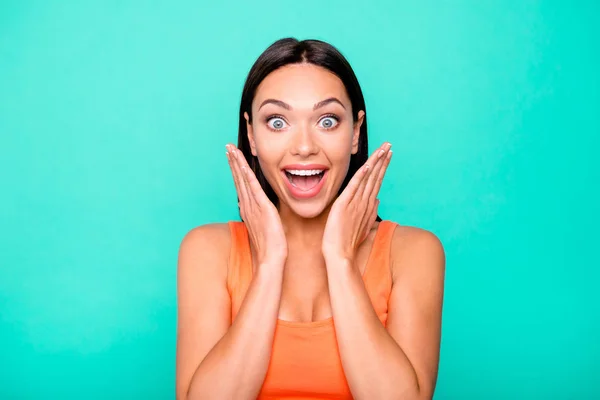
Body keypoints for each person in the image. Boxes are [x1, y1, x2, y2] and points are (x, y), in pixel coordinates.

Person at [176, 38, 445, 400]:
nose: (304, 147)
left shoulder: (413, 252)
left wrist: (341, 259)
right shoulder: (208, 250)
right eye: (277, 122)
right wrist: (271, 262)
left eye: (327, 120)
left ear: (355, 132)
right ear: (251, 136)